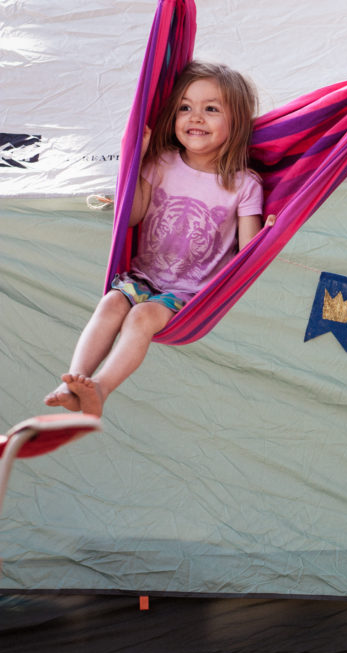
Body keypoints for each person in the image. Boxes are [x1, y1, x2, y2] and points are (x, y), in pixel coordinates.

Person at [44, 61, 273, 417]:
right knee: (111, 303)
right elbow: (132, 217)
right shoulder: (161, 162)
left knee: (141, 318)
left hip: (190, 294)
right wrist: (137, 161)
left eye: (211, 109)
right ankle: (72, 381)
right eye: (185, 107)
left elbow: (247, 254)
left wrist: (272, 232)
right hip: (142, 276)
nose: (195, 117)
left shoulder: (243, 185)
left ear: (237, 121)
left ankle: (100, 391)